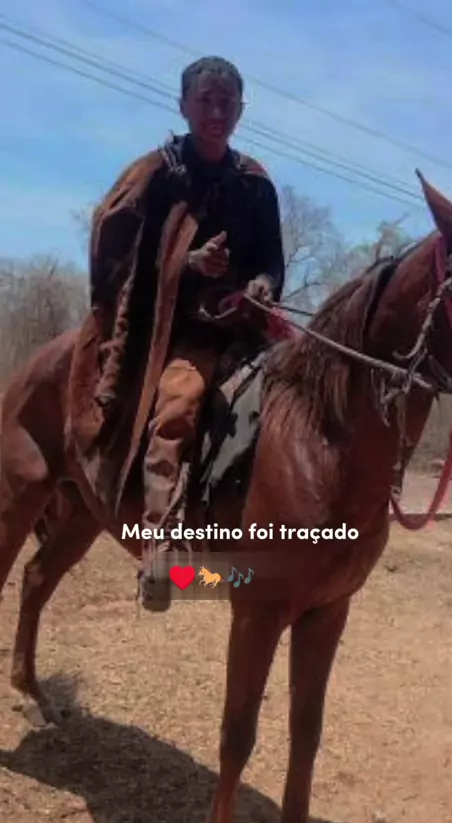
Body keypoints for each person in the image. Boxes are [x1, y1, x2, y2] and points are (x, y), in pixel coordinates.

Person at [87, 56, 285, 612]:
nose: (217, 112)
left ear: (241, 110)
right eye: (206, 100)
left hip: (245, 327)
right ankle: (161, 549)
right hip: (177, 329)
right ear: (183, 106)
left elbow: (272, 259)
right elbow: (124, 260)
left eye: (227, 102)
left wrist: (264, 284)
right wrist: (187, 263)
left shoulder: (256, 184)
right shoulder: (158, 175)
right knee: (179, 403)